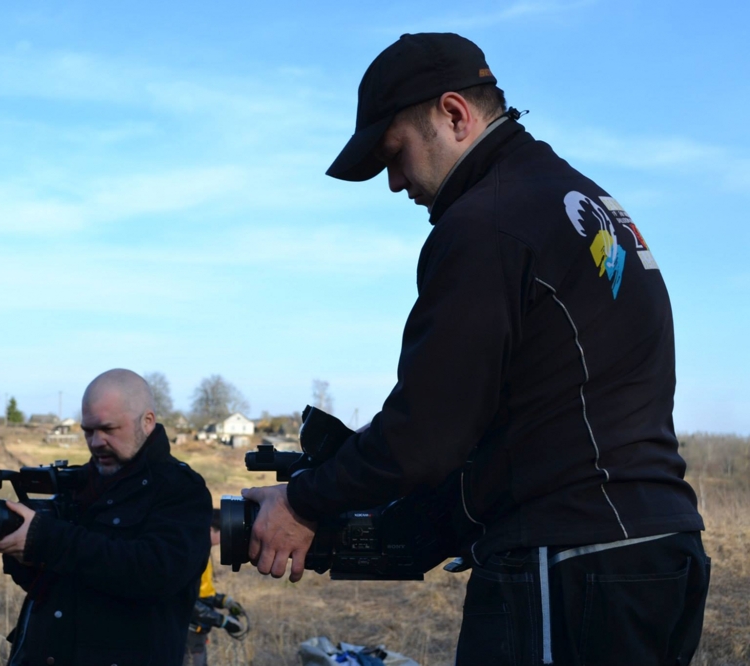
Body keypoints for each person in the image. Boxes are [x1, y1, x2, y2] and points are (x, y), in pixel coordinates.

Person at [243, 33, 710, 665]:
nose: (394, 182)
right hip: (657, 548)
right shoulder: (579, 200)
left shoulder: (487, 222)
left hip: (567, 559)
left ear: (454, 114)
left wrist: (302, 501)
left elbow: (427, 432)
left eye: (395, 153)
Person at [0, 368, 213, 666]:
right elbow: (47, 583)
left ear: (147, 422)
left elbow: (156, 574)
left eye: (108, 429)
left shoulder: (181, 489)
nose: (95, 442)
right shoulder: (79, 482)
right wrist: (19, 550)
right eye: (88, 431)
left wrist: (47, 538)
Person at [184, 509, 249, 666]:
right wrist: (222, 620)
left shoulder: (203, 551)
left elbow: (203, 592)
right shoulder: (190, 554)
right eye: (222, 532)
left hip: (199, 629)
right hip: (187, 632)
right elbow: (187, 601)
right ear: (209, 529)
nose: (223, 538)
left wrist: (225, 601)